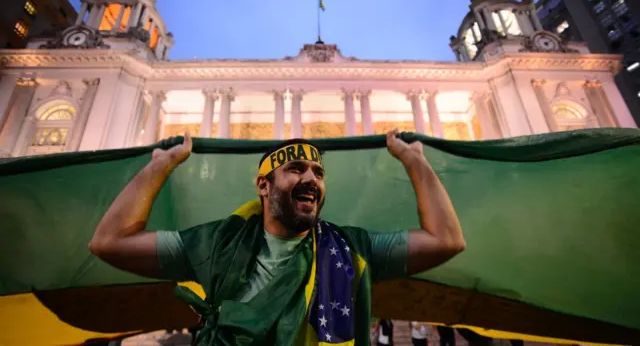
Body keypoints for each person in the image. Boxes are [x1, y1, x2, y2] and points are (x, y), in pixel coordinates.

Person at [89, 129, 466, 346]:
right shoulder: (215, 244)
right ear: (263, 186)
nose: (311, 179)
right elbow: (110, 242)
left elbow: (446, 240)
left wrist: (415, 160)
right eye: (296, 169)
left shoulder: (352, 250)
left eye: (318, 172)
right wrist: (160, 166)